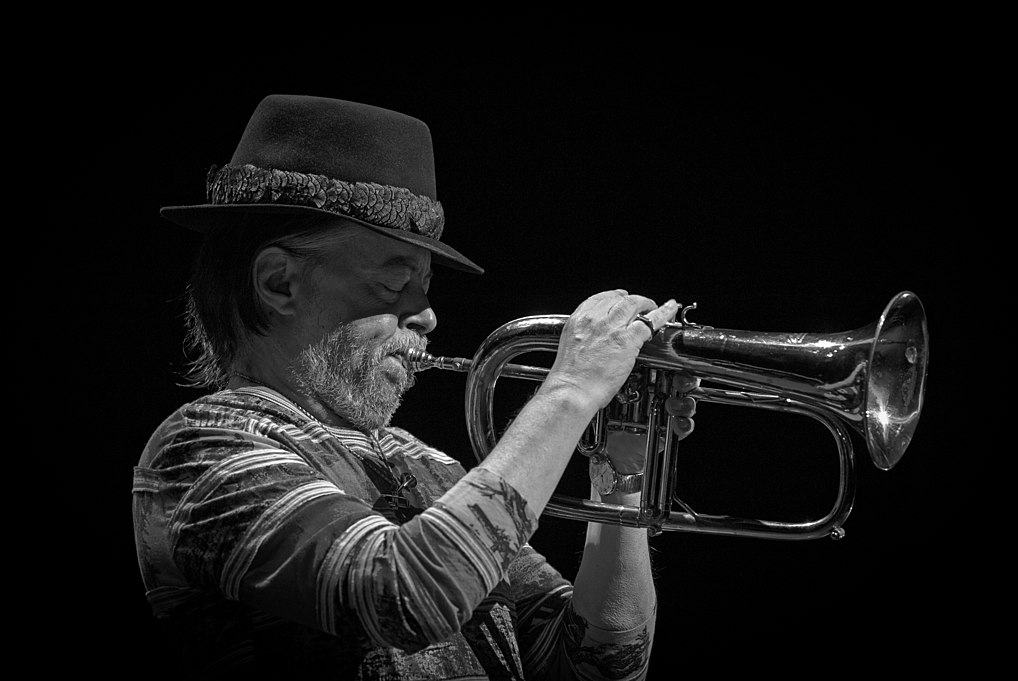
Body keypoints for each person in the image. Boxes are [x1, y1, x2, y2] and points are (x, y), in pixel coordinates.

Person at [132, 94, 698, 680]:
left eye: (425, 286)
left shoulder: (425, 464)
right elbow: (405, 596)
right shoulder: (201, 449)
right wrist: (571, 391)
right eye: (393, 284)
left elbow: (598, 666)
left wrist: (620, 471)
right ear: (280, 283)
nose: (427, 316)